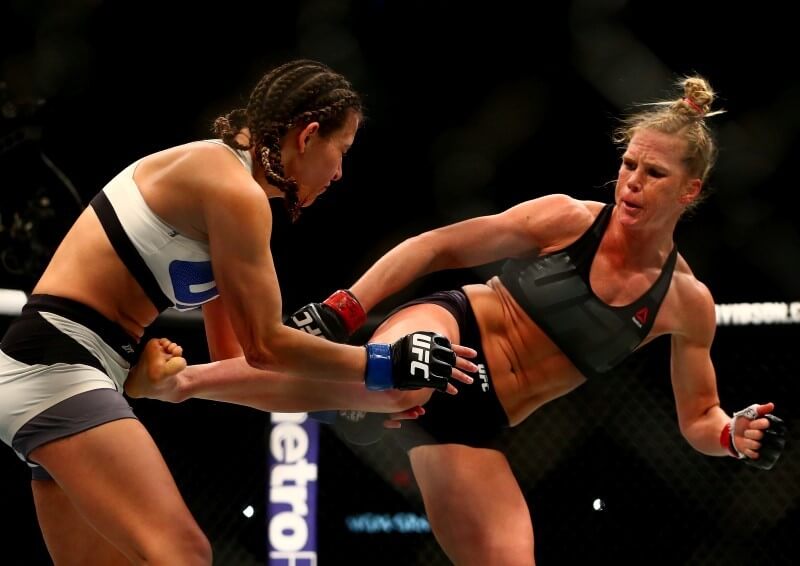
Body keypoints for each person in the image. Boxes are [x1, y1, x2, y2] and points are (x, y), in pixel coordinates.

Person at [125, 75, 786, 565]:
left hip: (480, 424)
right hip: (451, 329)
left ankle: (286, 391)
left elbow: (699, 419)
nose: (633, 182)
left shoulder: (685, 302)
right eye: (628, 165)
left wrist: (734, 435)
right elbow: (434, 245)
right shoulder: (567, 220)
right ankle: (181, 383)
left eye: (654, 173)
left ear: (690, 191)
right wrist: (342, 307)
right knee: (405, 381)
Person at [0, 59, 472, 566]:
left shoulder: (227, 194)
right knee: (183, 552)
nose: (339, 174)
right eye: (343, 151)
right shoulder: (230, 188)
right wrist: (384, 365)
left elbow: (237, 365)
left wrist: (348, 403)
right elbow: (268, 345)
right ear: (309, 134)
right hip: (58, 365)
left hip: (59, 372)